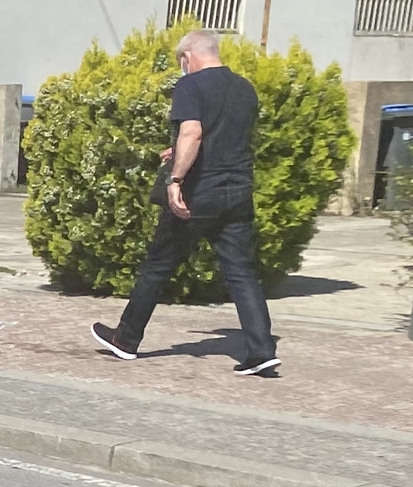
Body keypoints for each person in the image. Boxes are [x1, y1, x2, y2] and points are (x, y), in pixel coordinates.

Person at [91, 29, 278, 376]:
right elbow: (222, 138)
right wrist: (179, 153)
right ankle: (261, 351)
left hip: (199, 193)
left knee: (158, 265)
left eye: (182, 62)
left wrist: (176, 179)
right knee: (241, 273)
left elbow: (193, 132)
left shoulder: (190, 86)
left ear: (188, 57)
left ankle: (126, 339)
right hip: (237, 190)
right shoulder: (245, 89)